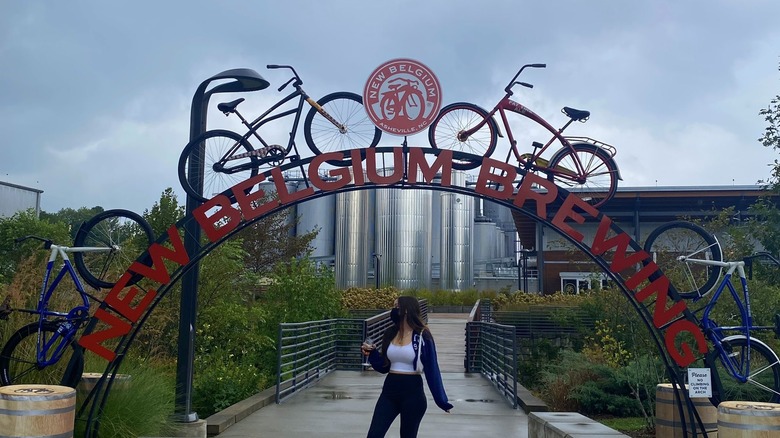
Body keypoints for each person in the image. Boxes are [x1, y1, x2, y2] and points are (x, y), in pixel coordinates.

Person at [361, 296, 453, 437]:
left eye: (397, 306)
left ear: (406, 309)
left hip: (413, 393)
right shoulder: (390, 333)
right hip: (389, 391)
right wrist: (372, 354)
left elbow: (432, 369)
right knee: (374, 434)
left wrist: (442, 401)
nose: (393, 310)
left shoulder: (423, 335)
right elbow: (384, 367)